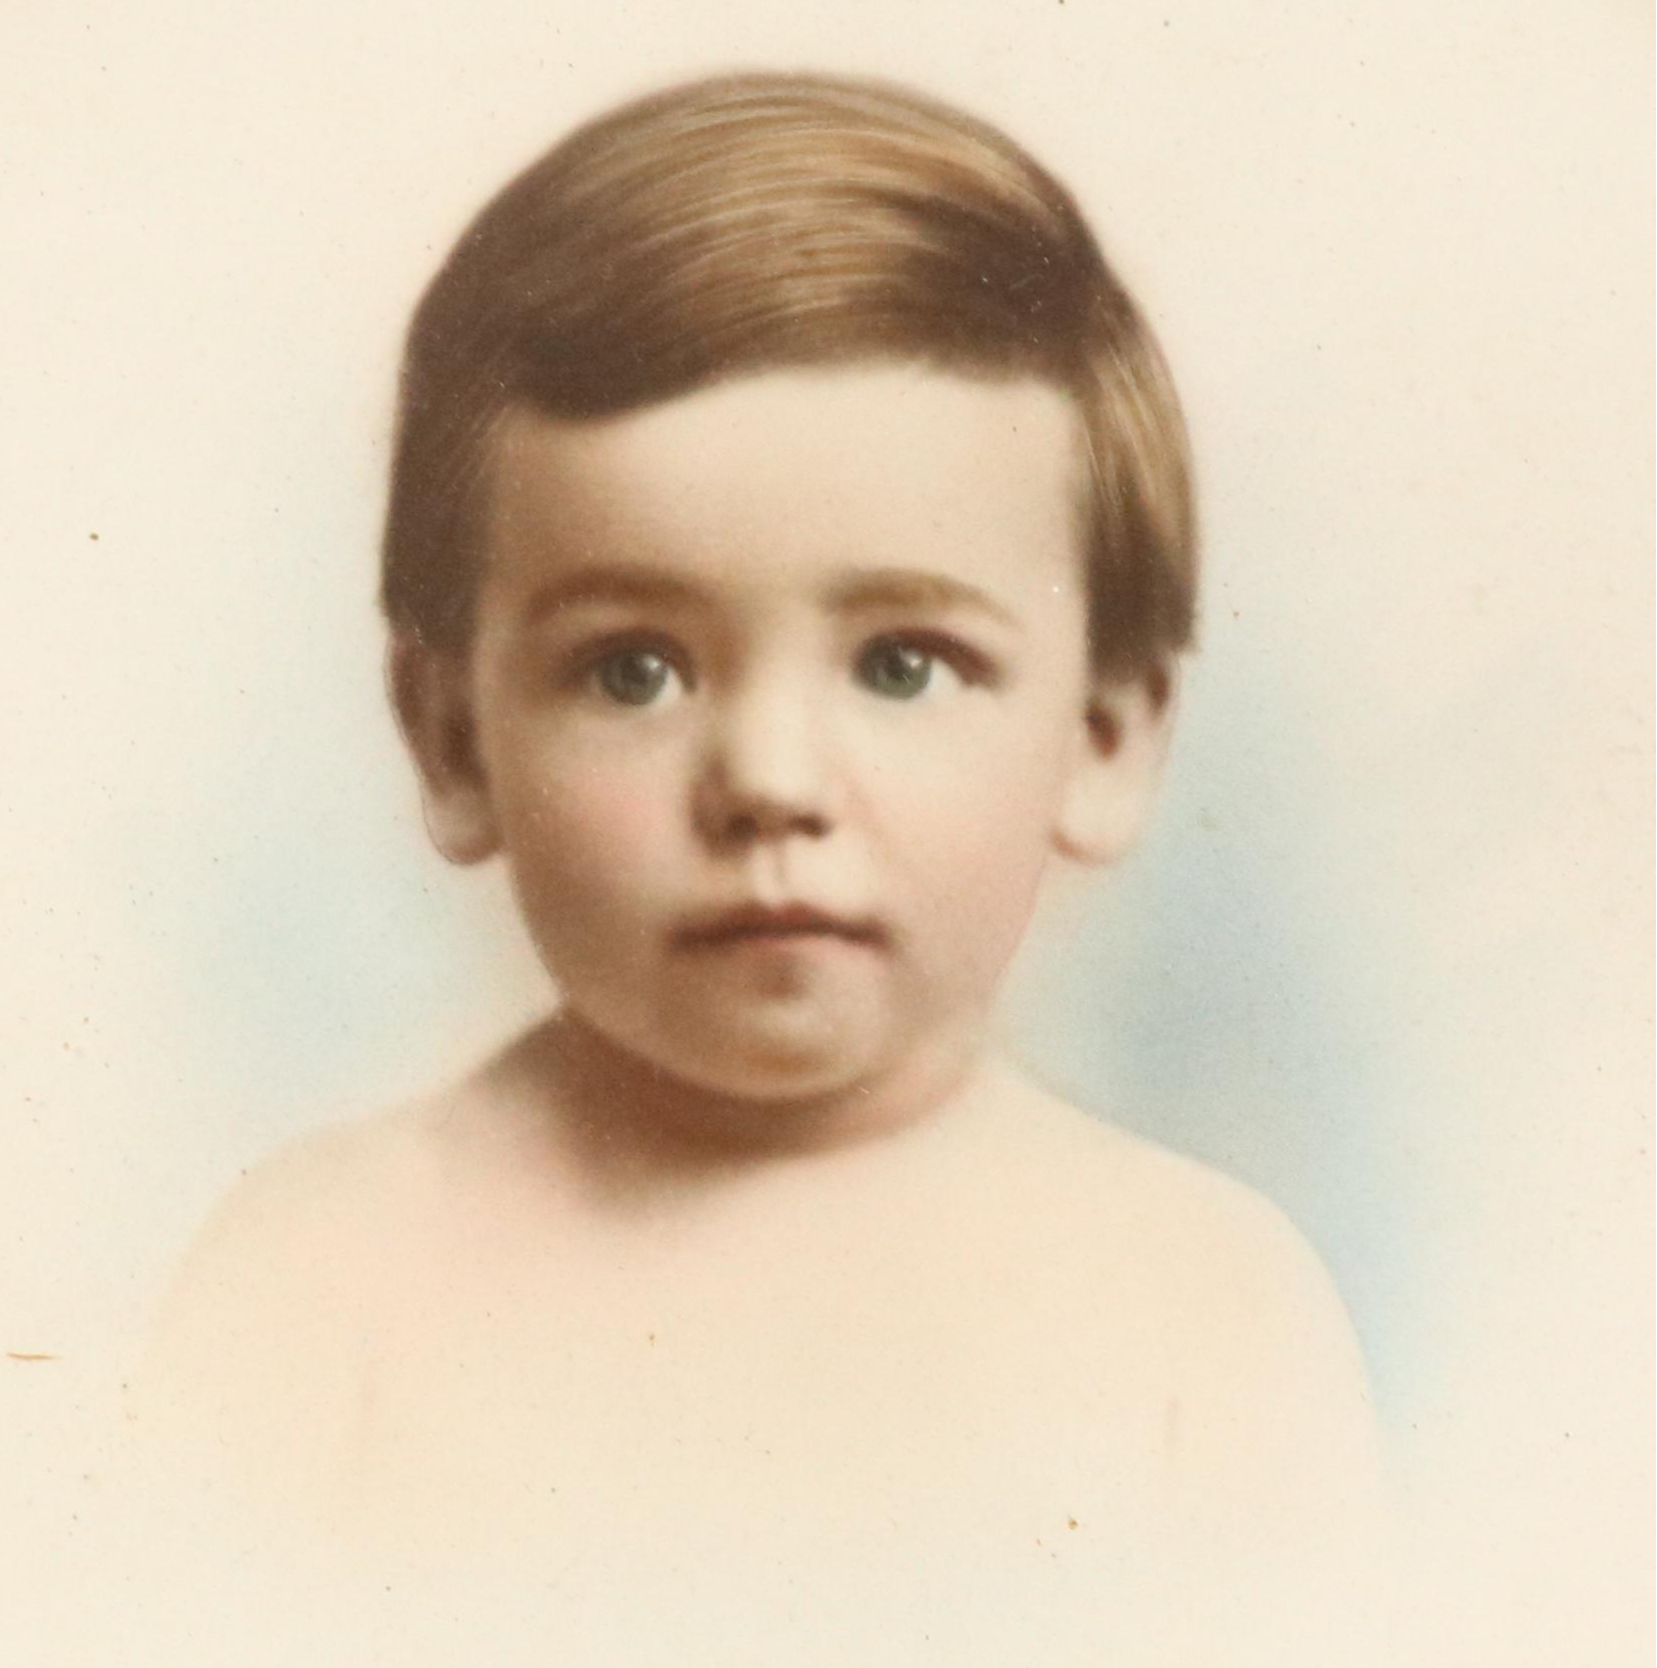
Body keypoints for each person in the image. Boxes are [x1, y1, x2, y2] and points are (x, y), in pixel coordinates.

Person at [128, 70, 1380, 1662]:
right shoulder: (312, 1290)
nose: (772, 786)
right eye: (634, 670)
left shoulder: (1210, 1316)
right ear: (451, 741)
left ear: (1108, 735)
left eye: (906, 664)